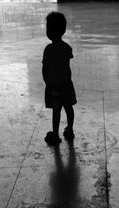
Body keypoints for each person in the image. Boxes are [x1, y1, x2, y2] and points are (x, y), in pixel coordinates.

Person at [42, 11, 77, 146]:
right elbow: (66, 66)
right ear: (64, 30)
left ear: (49, 31)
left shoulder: (48, 50)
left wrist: (47, 82)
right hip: (66, 84)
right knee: (68, 108)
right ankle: (69, 129)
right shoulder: (67, 48)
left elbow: (45, 69)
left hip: (54, 86)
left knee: (56, 111)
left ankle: (55, 135)